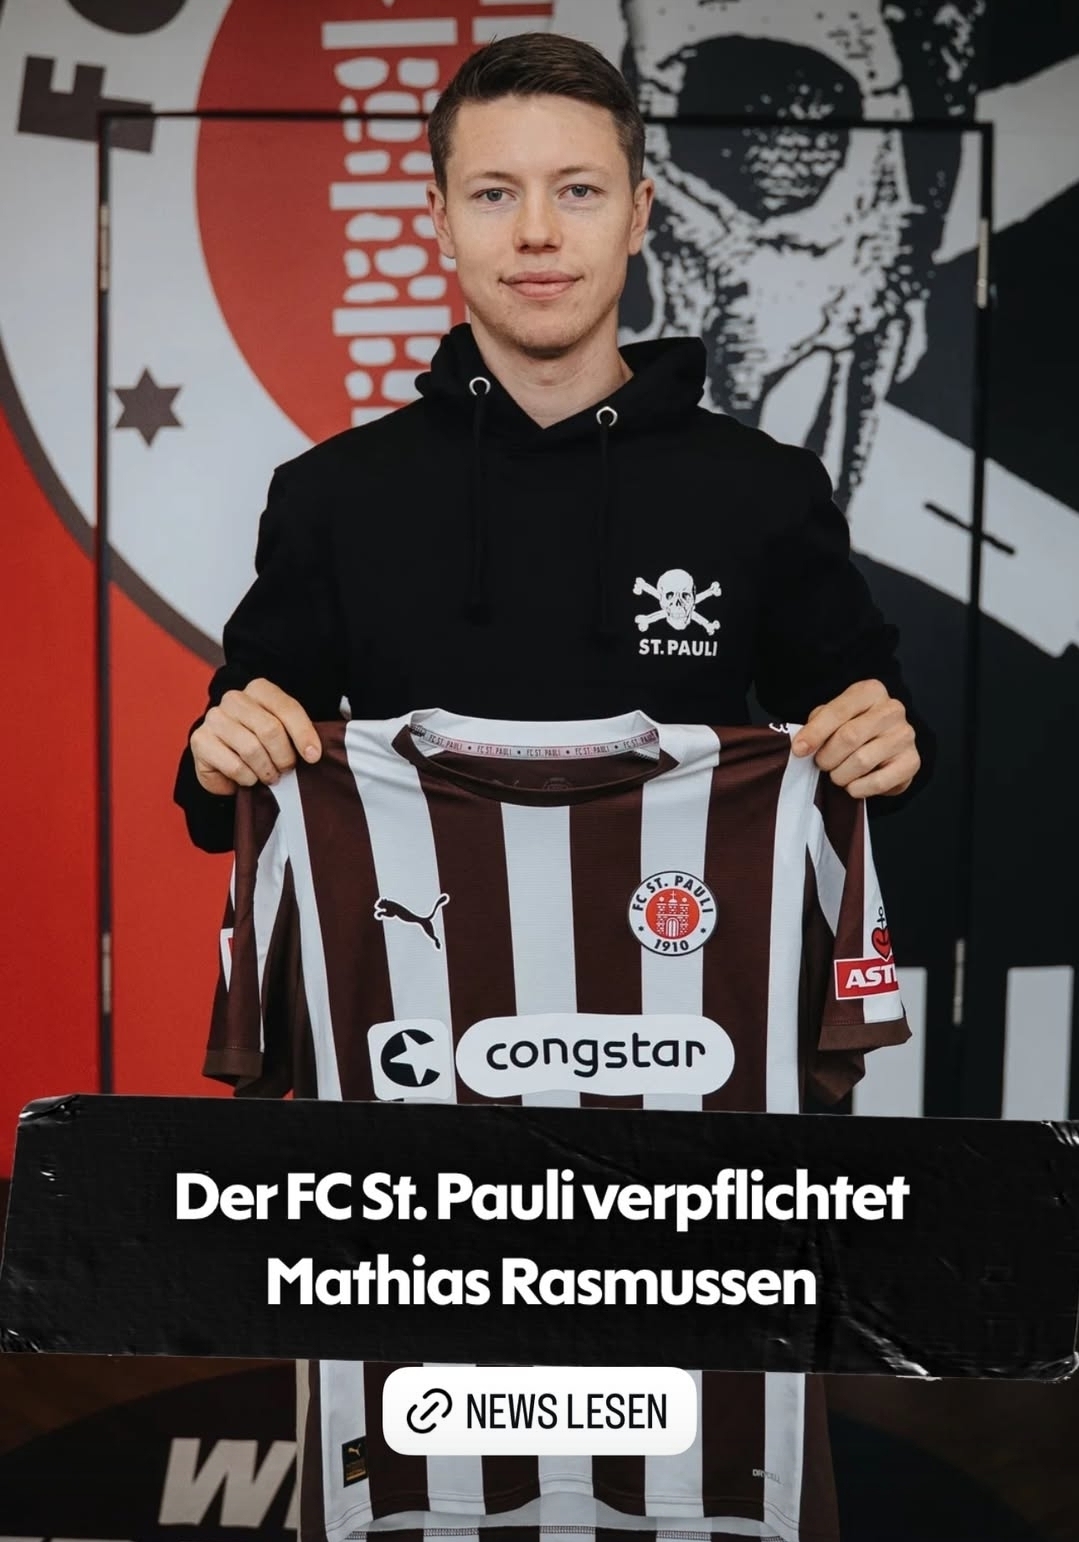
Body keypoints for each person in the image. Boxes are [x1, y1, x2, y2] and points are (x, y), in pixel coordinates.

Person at [174, 29, 928, 853]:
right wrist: (223, 754)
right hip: (418, 938)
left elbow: (875, 749)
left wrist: (885, 746)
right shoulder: (332, 496)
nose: (537, 232)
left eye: (577, 191)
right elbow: (221, 801)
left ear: (637, 215)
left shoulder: (763, 490)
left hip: (680, 932)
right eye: (494, 194)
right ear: (442, 220)